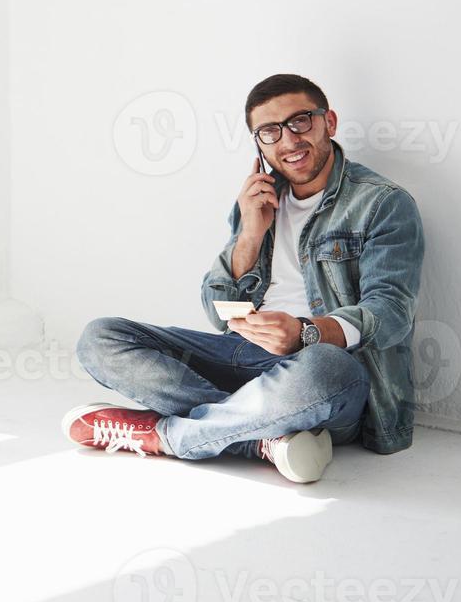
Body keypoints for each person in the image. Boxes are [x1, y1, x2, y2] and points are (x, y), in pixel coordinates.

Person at [62, 74, 426, 482]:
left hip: (317, 372)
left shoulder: (383, 204)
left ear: (330, 123)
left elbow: (391, 312)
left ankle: (169, 436)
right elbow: (217, 312)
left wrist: (306, 333)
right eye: (270, 131)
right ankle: (259, 437)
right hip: (238, 353)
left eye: (300, 121)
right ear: (259, 142)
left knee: (327, 367)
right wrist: (251, 233)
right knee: (101, 338)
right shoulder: (258, 200)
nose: (288, 141)